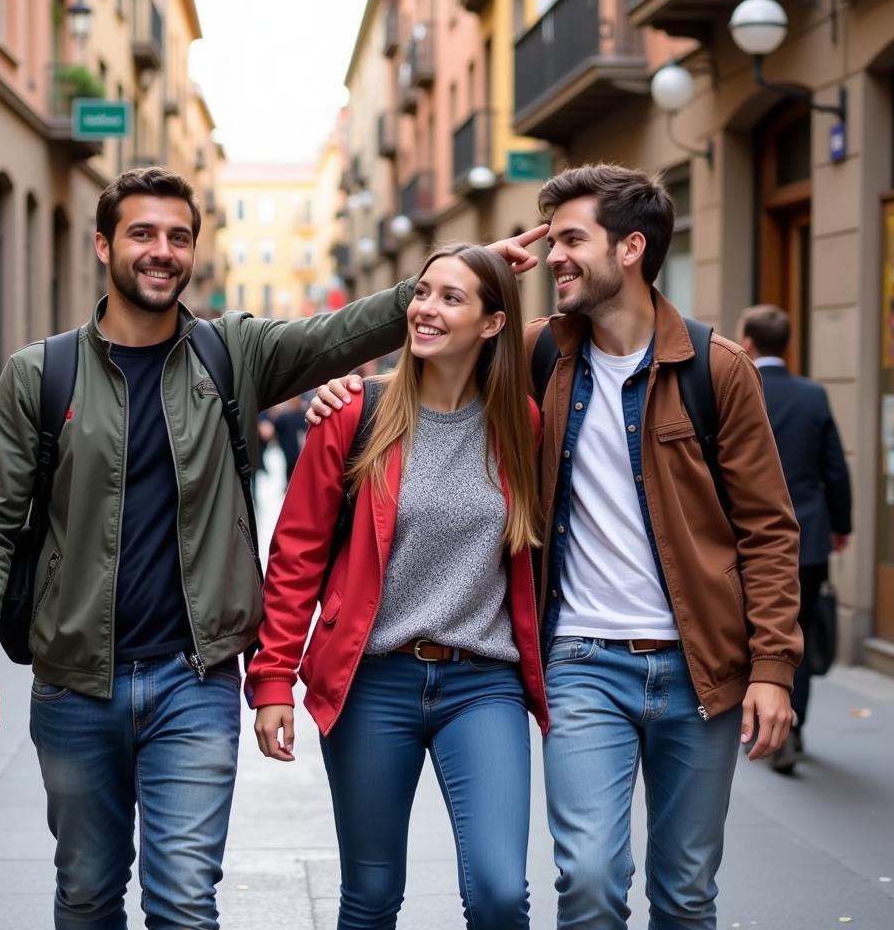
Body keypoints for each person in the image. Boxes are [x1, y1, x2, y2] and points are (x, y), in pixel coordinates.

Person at [0, 166, 547, 930]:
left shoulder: (231, 355)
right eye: (142, 234)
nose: (162, 251)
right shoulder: (41, 372)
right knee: (88, 891)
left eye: (178, 236)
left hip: (193, 678)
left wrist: (457, 276)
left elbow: (340, 334)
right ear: (103, 245)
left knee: (186, 903)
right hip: (73, 683)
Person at [308, 164, 802, 930]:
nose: (556, 258)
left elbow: (768, 530)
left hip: (702, 666)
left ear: (632, 248)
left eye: (572, 240)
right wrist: (346, 390)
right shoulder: (539, 358)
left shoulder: (717, 369)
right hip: (579, 661)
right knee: (592, 882)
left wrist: (773, 667)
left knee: (686, 893)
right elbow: (453, 337)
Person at [249, 245, 548, 930]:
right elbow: (295, 555)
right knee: (372, 897)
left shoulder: (521, 425)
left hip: (484, 683)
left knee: (501, 892)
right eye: (422, 293)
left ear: (493, 324)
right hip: (371, 683)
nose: (425, 309)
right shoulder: (355, 414)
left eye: (451, 298)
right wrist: (273, 683)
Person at [738, 303, 851, 772]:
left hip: (746, 536)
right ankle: (791, 726)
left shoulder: (738, 384)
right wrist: (841, 526)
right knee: (794, 630)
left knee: (751, 627)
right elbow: (835, 469)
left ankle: (749, 721)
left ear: (748, 342)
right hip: (808, 535)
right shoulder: (813, 395)